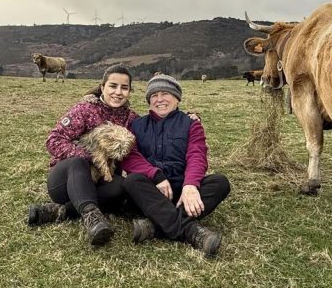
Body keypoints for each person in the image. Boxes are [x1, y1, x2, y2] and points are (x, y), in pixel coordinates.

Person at [27, 64, 163, 246]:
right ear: (103, 87)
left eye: (124, 88)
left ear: (130, 91)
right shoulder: (84, 110)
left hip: (100, 182)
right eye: (113, 86)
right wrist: (91, 156)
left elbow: (156, 127)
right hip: (67, 181)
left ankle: (60, 211)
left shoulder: (131, 119)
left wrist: (190, 119)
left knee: (121, 186)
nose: (118, 92)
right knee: (78, 162)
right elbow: (53, 140)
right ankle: (92, 219)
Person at [124, 74, 231, 257]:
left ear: (176, 98)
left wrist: (190, 185)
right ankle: (191, 231)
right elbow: (130, 157)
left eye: (165, 93)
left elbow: (197, 154)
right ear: (149, 100)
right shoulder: (137, 125)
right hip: (152, 191)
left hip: (182, 192)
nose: (159, 100)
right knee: (132, 181)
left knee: (220, 182)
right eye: (154, 95)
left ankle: (155, 226)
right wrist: (155, 175)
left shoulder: (191, 124)